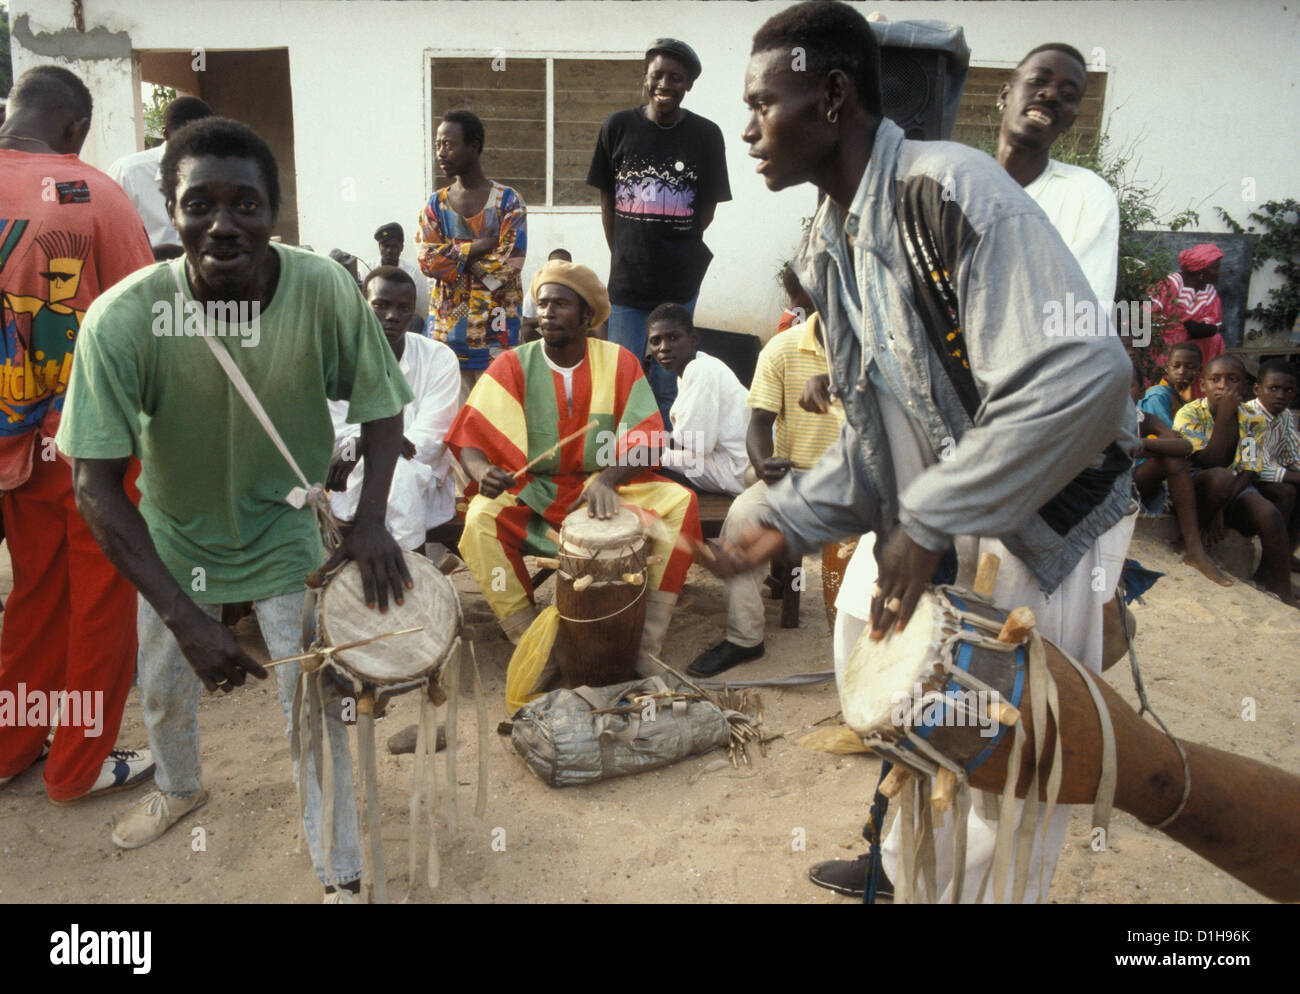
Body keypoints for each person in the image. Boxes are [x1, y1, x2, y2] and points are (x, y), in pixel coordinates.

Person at [721, 1, 1138, 903]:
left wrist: (935, 513)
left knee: (1013, 781)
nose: (748, 127)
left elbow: (1088, 377)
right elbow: (879, 440)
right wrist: (787, 519)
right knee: (929, 741)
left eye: (763, 103)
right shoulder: (832, 245)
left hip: (1051, 528)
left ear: (832, 97)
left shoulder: (950, 188)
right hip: (963, 510)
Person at [56, 118, 415, 902]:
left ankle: (341, 874)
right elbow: (94, 484)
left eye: (245, 205)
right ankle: (182, 787)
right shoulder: (121, 319)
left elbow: (383, 406)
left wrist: (371, 519)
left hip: (285, 531)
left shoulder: (323, 288)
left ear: (274, 213)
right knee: (163, 683)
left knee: (311, 707)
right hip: (173, 534)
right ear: (171, 211)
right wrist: (186, 616)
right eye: (200, 205)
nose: (223, 225)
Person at [0, 66, 156, 803]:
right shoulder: (94, 194)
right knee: (100, 596)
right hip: (85, 440)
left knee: (34, 592)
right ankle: (78, 765)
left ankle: (11, 745)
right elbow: (143, 320)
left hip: (7, 445)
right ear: (74, 129)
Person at [446, 259, 700, 663]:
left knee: (681, 504)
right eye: (543, 304)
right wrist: (481, 472)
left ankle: (643, 639)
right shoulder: (512, 363)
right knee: (479, 521)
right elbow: (471, 435)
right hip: (533, 492)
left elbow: (649, 439)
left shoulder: (620, 361)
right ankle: (533, 643)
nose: (548, 312)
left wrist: (608, 479)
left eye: (561, 304)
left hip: (606, 487)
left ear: (586, 315)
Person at [689, 305, 845, 678]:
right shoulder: (782, 348)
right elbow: (760, 421)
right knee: (742, 515)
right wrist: (762, 464)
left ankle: (864, 653)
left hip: (859, 484)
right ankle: (745, 638)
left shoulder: (881, 346)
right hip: (794, 478)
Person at [586, 38, 732, 425]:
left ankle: (665, 458)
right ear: (645, 78)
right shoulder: (617, 127)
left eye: (676, 78)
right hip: (628, 279)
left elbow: (708, 208)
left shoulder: (706, 135)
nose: (664, 85)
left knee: (671, 379)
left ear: (689, 85)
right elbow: (607, 201)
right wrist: (625, 252)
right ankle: (624, 455)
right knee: (625, 374)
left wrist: (676, 244)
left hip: (680, 280)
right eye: (657, 75)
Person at [327, 266, 460, 552]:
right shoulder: (338, 360)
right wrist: (371, 441)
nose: (392, 316)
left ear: (413, 313)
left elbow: (431, 439)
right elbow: (338, 439)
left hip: (422, 477)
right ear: (362, 306)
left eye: (403, 308)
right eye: (381, 305)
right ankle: (412, 569)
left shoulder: (439, 358)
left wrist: (370, 440)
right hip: (354, 477)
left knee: (401, 475)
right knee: (394, 475)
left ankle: (400, 568)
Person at [995, 43, 1119, 306]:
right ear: (1005, 95)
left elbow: (1083, 310)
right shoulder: (957, 183)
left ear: (1069, 122)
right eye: (1038, 80)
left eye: (1067, 94)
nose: (1050, 94)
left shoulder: (1086, 195)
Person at [418, 110, 526, 402]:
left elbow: (509, 264)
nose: (441, 152)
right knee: (449, 424)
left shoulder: (508, 201)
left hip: (495, 333)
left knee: (495, 420)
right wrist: (478, 246)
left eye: (449, 145)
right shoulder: (435, 204)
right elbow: (427, 260)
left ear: (474, 146)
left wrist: (452, 261)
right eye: (438, 145)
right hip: (446, 335)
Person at [1173, 355, 1294, 605]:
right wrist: (1225, 418)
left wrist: (1222, 505)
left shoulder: (1252, 418)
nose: (1223, 386)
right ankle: (1188, 543)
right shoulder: (1191, 412)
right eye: (1215, 379)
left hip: (1232, 486)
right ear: (1203, 385)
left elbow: (1249, 469)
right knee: (1220, 476)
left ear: (1246, 387)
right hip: (1196, 485)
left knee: (1269, 515)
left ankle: (1280, 588)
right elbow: (1207, 461)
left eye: (1233, 379)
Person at [1131, 360, 1231, 585]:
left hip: (1133, 486)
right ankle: (1194, 548)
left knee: (1174, 460)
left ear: (1141, 391)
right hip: (1103, 489)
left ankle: (1194, 551)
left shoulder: (1143, 418)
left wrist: (1136, 444)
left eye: (1127, 386)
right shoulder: (1098, 415)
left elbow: (1183, 447)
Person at [647, 302, 749, 496]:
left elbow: (695, 444)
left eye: (673, 338)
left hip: (739, 470)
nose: (664, 348)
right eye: (655, 341)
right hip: (734, 461)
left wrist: (650, 442)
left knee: (645, 454)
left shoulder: (700, 369)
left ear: (693, 338)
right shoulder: (694, 368)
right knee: (648, 448)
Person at [106, 95, 213, 260]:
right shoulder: (128, 173)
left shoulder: (218, 173)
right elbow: (108, 235)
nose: (195, 150)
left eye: (204, 142)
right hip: (146, 274)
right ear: (166, 134)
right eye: (186, 140)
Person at [1244, 358, 1300, 567]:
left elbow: (1293, 454)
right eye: (1273, 388)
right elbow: (1254, 466)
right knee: (1286, 492)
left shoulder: (1284, 416)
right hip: (1243, 479)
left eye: (1288, 390)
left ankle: (1285, 554)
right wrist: (1294, 476)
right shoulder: (1248, 415)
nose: (1280, 395)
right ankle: (1269, 566)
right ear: (1258, 389)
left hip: (1267, 476)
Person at [1151, 243, 1227, 382]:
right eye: (1215, 268)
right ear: (1201, 271)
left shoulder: (1208, 291)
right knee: (1177, 338)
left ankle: (1203, 383)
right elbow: (1148, 315)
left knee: (1215, 339)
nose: (1218, 273)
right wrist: (1178, 328)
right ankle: (1165, 381)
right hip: (1164, 336)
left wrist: (1202, 328)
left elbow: (1213, 321)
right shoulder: (1170, 284)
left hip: (1191, 340)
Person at [369, 222, 428, 325]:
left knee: (417, 321)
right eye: (385, 246)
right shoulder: (367, 268)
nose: (389, 250)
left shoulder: (412, 274)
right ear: (379, 247)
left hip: (399, 319)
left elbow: (414, 306)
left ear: (401, 248)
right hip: (373, 319)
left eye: (394, 246)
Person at [521, 248, 571, 343]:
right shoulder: (538, 287)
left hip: (573, 330)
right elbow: (525, 321)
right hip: (548, 328)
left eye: (563, 265)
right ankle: (542, 353)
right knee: (525, 330)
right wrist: (548, 318)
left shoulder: (579, 286)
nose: (558, 269)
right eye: (553, 265)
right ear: (547, 266)